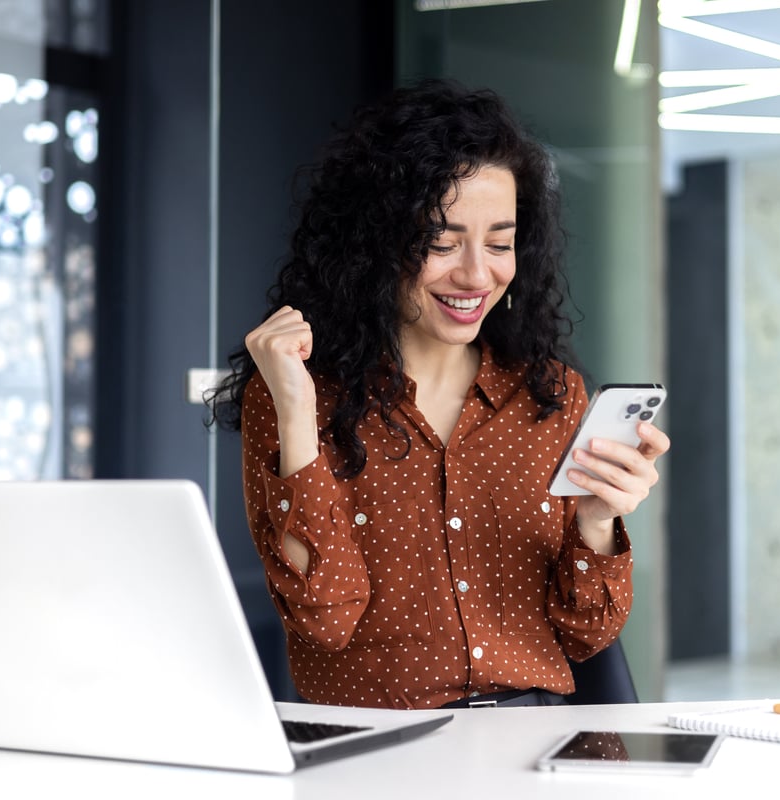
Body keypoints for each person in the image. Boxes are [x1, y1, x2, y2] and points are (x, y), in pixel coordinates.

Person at [211, 78, 669, 710]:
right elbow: (325, 618)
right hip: (382, 756)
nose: (477, 274)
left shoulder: (551, 395)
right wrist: (295, 409)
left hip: (535, 742)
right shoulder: (295, 396)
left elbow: (586, 634)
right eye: (440, 242)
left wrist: (597, 520)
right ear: (373, 243)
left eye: (500, 243)